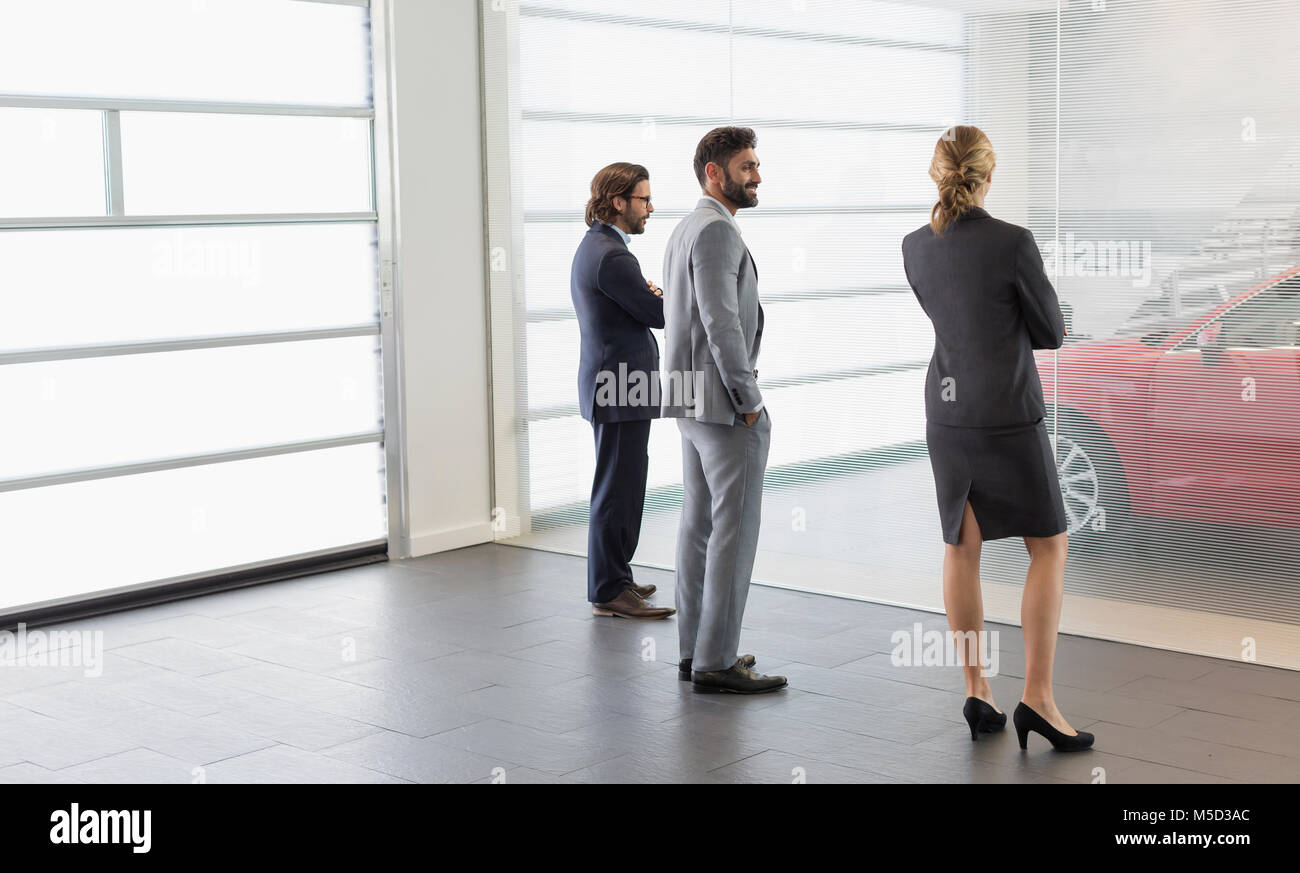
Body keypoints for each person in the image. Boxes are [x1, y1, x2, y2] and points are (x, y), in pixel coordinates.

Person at [901, 125, 1093, 751]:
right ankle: (1037, 698)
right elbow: (1052, 331)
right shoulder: (1014, 242)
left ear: (938, 174)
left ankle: (976, 688)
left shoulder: (914, 247)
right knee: (1049, 547)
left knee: (961, 548)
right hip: (1007, 413)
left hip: (947, 411)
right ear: (988, 175)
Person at [661, 127, 784, 694]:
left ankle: (696, 650)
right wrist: (749, 401)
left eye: (756, 166)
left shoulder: (685, 228)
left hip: (688, 401)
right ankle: (717, 660)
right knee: (733, 530)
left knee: (699, 527)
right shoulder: (715, 232)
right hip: (723, 407)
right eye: (747, 166)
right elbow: (720, 322)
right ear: (715, 172)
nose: (756, 176)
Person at [570, 162, 675, 620]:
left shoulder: (601, 247)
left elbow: (640, 305)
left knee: (624, 482)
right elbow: (657, 314)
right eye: (644, 199)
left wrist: (650, 297)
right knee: (617, 487)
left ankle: (616, 576)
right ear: (618, 202)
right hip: (617, 387)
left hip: (616, 386)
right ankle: (609, 589)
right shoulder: (613, 255)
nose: (650, 208)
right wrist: (659, 298)